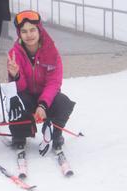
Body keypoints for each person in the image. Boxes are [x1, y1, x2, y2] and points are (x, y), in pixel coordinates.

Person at [6, 10, 75, 154]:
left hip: (47, 97)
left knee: (63, 102)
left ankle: (55, 133)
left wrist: (43, 105)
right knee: (15, 100)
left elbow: (54, 83)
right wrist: (16, 75)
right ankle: (20, 135)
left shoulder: (51, 51)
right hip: (27, 95)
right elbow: (20, 88)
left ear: (39, 30)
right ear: (19, 33)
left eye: (32, 30)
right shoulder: (15, 53)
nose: (29, 35)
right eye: (24, 31)